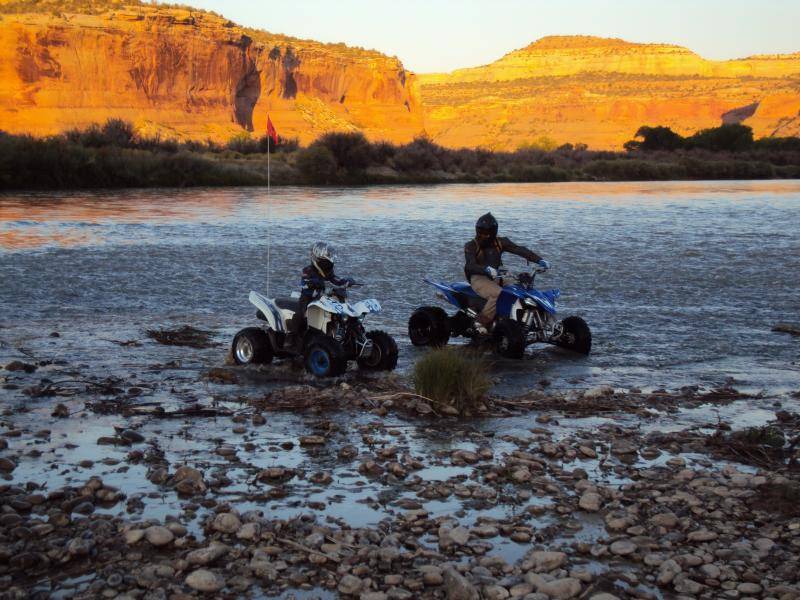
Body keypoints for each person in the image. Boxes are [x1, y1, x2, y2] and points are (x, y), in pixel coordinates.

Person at [464, 212, 549, 329]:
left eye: (486, 233)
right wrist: (485, 269)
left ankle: (516, 319)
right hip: (478, 278)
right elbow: (469, 265)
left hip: (497, 276)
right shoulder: (471, 245)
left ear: (493, 232)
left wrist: (539, 260)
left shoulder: (500, 242)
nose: (483, 236)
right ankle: (482, 322)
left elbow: (519, 249)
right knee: (498, 294)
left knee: (522, 289)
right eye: (481, 232)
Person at [286, 242, 353, 349]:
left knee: (342, 312)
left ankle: (340, 336)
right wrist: (314, 283)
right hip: (308, 298)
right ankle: (291, 338)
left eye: (330, 255)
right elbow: (305, 283)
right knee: (300, 315)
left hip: (323, 297)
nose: (330, 258)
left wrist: (347, 282)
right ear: (319, 255)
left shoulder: (328, 271)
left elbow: (336, 280)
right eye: (328, 255)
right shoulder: (307, 270)